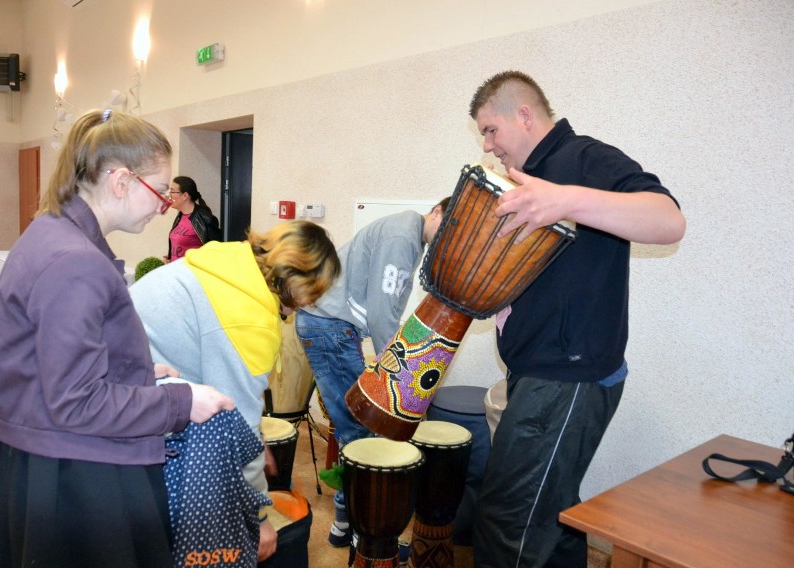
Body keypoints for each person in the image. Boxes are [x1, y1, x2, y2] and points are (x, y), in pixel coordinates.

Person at [0, 109, 234, 568]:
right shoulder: (74, 261)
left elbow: (51, 360)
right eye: (159, 191)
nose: (164, 207)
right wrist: (180, 402)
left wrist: (131, 369)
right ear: (120, 181)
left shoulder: (53, 234)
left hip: (47, 458)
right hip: (71, 478)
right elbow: (76, 403)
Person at [467, 71, 686, 567]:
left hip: (566, 378)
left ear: (524, 115)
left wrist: (565, 199)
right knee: (553, 518)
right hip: (538, 374)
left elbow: (668, 218)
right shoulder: (527, 179)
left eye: (490, 129)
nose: (488, 145)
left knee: (507, 525)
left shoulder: (582, 158)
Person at [130, 221, 341, 563]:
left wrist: (252, 439)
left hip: (125, 392)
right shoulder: (250, 319)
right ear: (299, 283)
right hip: (141, 422)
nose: (310, 305)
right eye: (313, 295)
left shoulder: (233, 261)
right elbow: (233, 427)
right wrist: (258, 519)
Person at [294, 198, 449, 547]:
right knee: (363, 432)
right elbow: (382, 314)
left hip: (328, 328)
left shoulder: (408, 232)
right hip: (329, 328)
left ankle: (344, 525)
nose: (446, 240)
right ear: (437, 211)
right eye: (448, 229)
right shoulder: (403, 237)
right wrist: (396, 372)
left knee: (355, 430)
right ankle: (364, 532)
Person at [165, 175, 221, 261]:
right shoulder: (180, 216)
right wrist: (171, 259)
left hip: (192, 273)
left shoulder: (206, 219)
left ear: (185, 195)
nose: (169, 196)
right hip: (177, 271)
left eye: (172, 192)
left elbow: (217, 252)